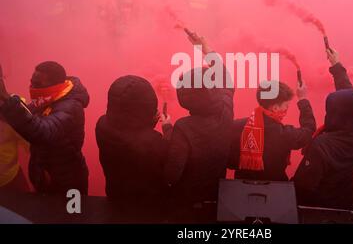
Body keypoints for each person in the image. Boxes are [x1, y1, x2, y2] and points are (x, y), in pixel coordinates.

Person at [163, 31, 234, 222]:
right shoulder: (225, 111)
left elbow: (172, 173)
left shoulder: (183, 127)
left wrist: (167, 128)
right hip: (217, 198)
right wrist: (206, 49)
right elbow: (227, 80)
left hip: (187, 205)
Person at [292, 49, 353, 209]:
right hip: (344, 201)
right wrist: (336, 66)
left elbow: (302, 186)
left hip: (319, 208)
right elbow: (350, 101)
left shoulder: (322, 145)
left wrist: (303, 100)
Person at [0, 61, 89, 194]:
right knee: (47, 214)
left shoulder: (70, 107)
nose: (32, 87)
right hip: (47, 177)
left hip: (68, 182)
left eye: (37, 84)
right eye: (31, 82)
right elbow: (28, 115)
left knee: (73, 213)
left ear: (55, 84)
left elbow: (44, 132)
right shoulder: (47, 98)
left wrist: (6, 98)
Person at [96, 75, 172, 208]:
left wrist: (148, 120)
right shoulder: (152, 143)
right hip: (148, 206)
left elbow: (129, 130)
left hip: (116, 197)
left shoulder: (102, 125)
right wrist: (166, 127)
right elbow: (171, 158)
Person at [228, 79, 315, 182]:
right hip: (275, 189)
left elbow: (230, 161)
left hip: (241, 188)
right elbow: (309, 130)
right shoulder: (285, 134)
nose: (287, 108)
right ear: (275, 108)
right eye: (286, 105)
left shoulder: (236, 126)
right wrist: (303, 99)